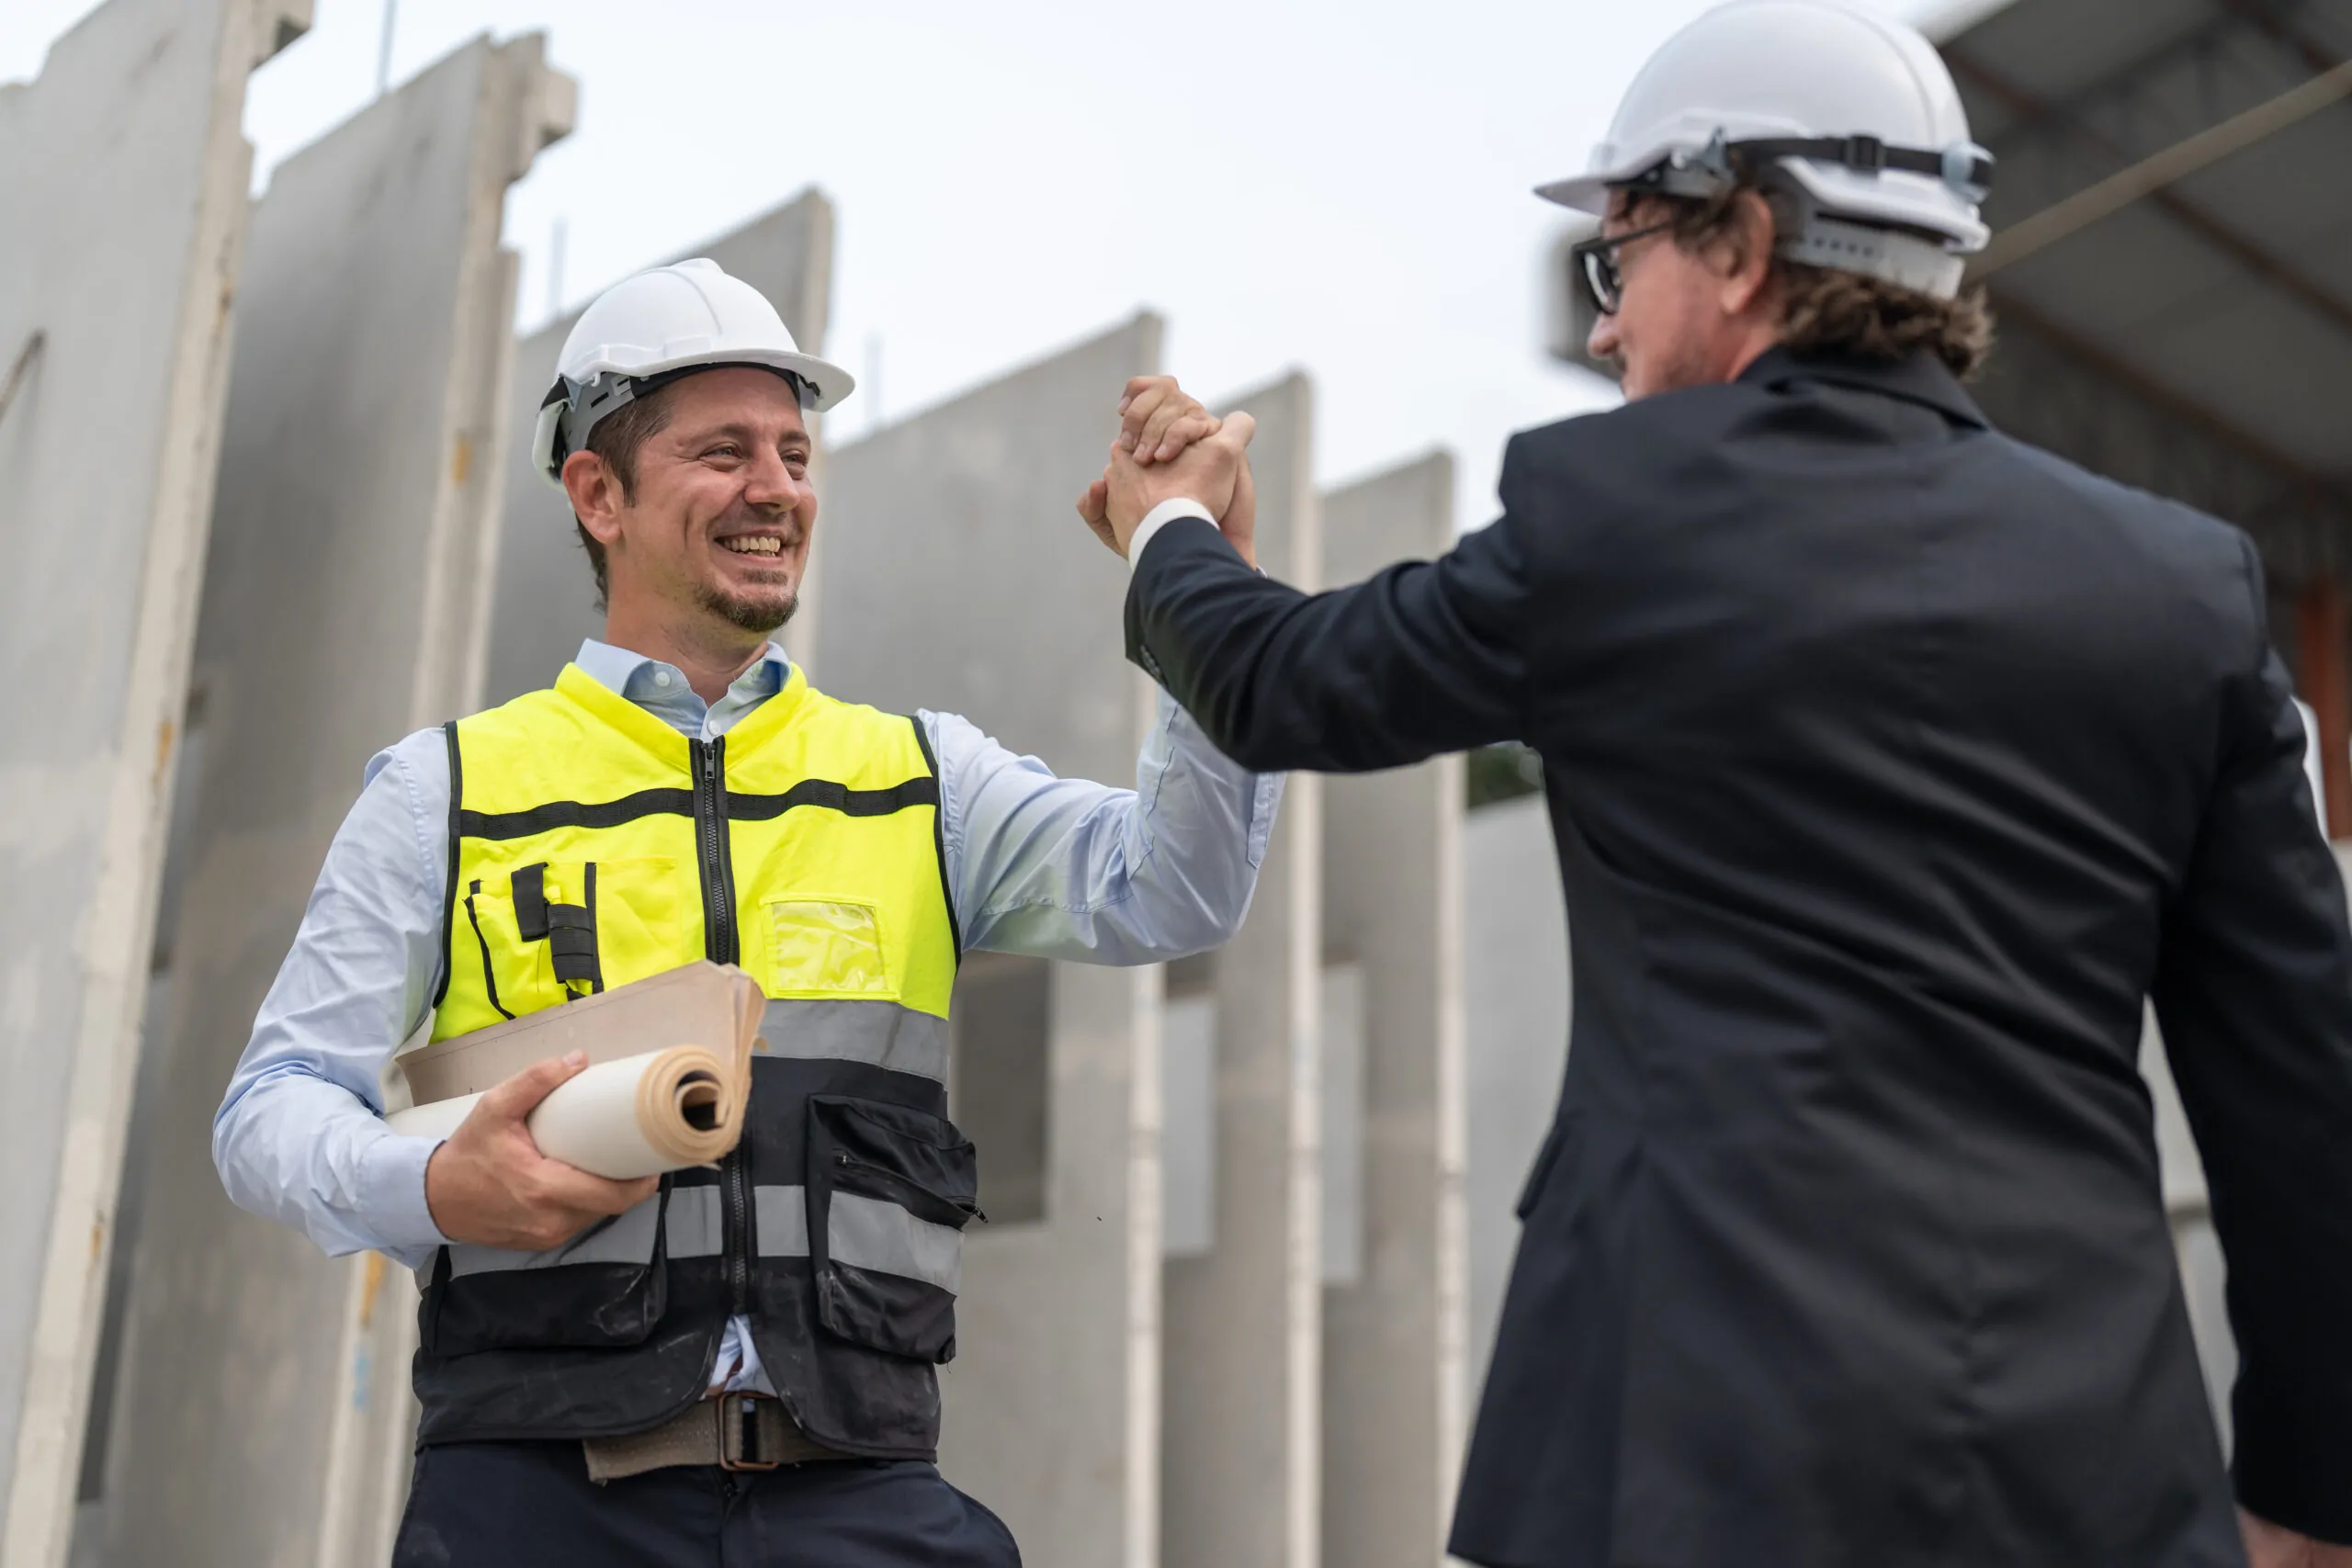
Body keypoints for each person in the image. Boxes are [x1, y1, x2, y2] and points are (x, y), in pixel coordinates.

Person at [1079, 3, 2352, 1565]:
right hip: (2088, 1474)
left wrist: (1170, 529)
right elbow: (2304, 1099)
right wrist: (2308, 1486)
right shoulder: (2188, 592)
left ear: (1742, 242)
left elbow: (1287, 681)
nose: (1606, 324)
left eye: (1620, 262)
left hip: (1679, 1456)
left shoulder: (1612, 519)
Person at [214, 257, 1280, 1568]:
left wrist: (1207, 586)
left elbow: (1176, 888)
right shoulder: (446, 787)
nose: (777, 486)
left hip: (864, 1490)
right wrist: (435, 1180)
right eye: (723, 452)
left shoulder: (920, 776)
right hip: (539, 1498)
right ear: (597, 494)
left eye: (792, 449)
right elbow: (271, 1107)